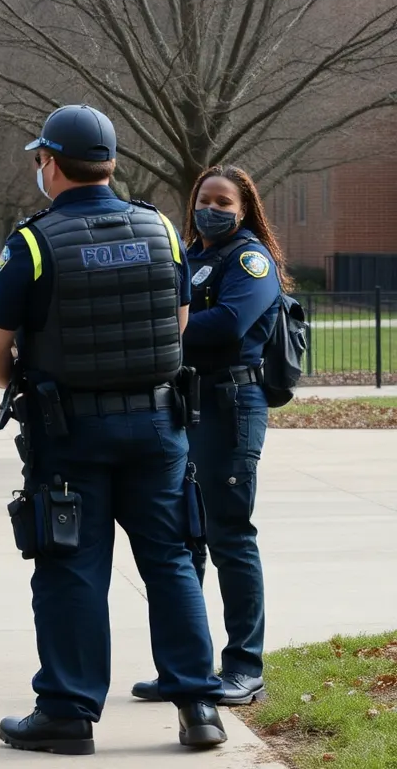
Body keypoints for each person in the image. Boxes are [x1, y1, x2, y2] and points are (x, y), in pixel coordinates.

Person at [0, 104, 225, 754]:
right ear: (110, 163)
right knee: (171, 560)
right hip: (158, 425)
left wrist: (21, 384)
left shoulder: (33, 243)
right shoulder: (161, 228)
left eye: (40, 160)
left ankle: (68, 713)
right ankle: (198, 705)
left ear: (51, 164)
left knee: (72, 568)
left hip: (71, 433)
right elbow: (177, 324)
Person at [130, 165, 285, 707]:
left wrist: (161, 327)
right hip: (185, 405)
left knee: (229, 535)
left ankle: (244, 666)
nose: (212, 209)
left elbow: (228, 324)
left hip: (232, 406)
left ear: (243, 210)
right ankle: (185, 669)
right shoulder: (188, 257)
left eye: (224, 202)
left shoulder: (249, 260)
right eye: (205, 199)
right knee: (183, 537)